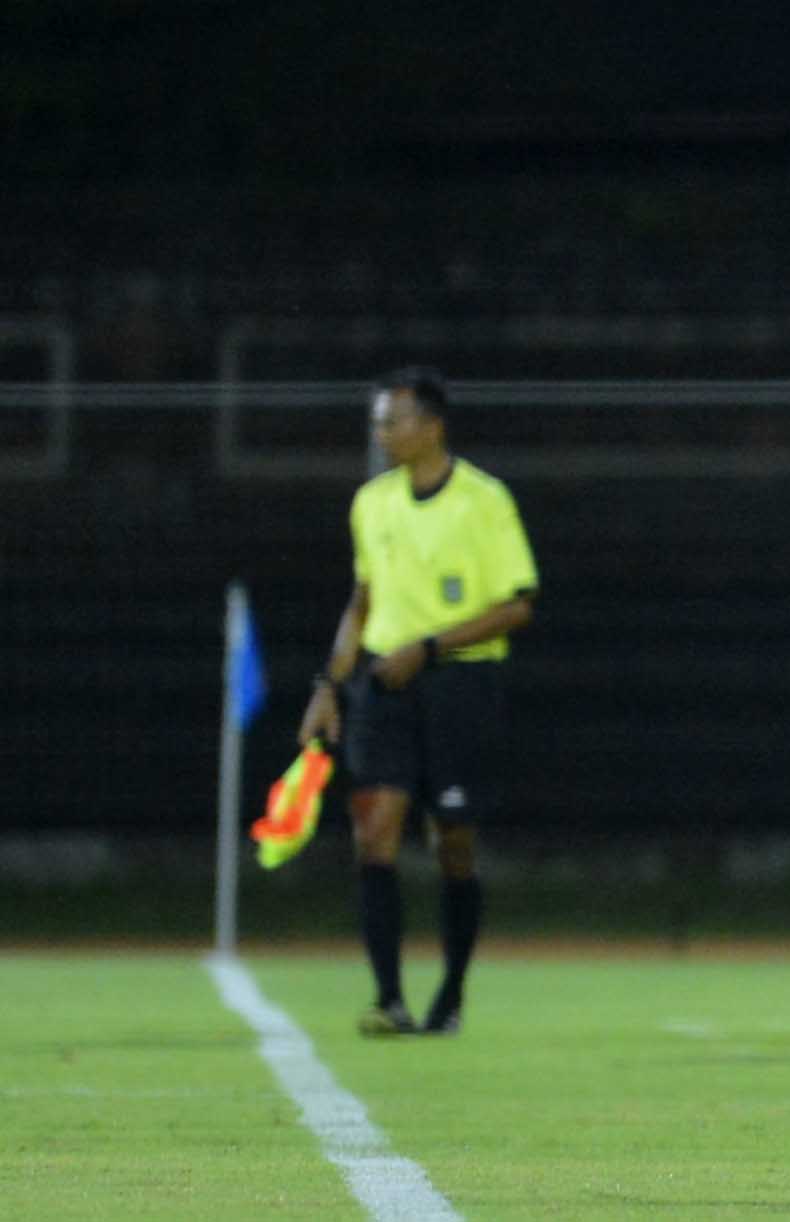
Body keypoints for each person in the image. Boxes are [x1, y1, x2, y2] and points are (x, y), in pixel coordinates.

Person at [295, 367, 539, 1037]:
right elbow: (361, 602)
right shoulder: (371, 503)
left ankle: (450, 997)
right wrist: (328, 686)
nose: (380, 433)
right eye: (377, 422)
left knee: (452, 843)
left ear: (432, 427)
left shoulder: (484, 501)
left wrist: (427, 649)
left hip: (459, 686)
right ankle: (389, 999)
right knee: (374, 832)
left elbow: (518, 604)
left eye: (391, 421)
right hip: (383, 686)